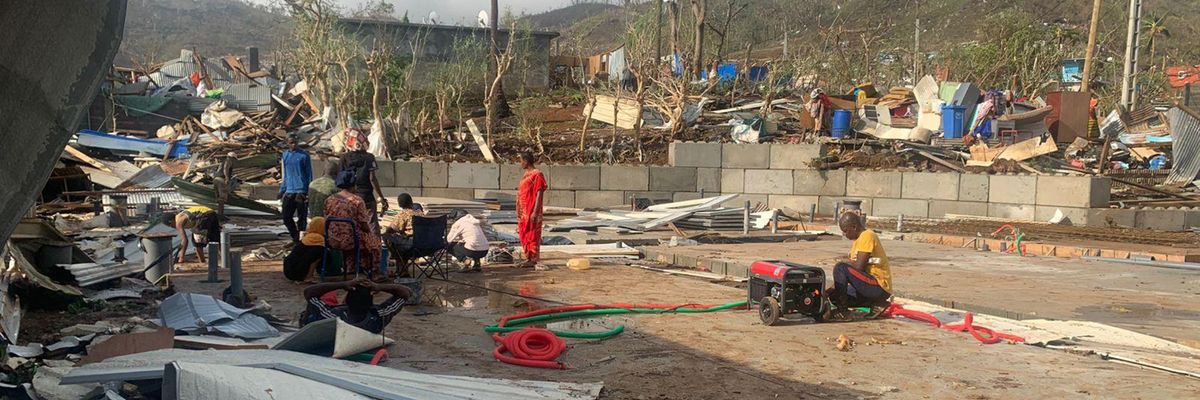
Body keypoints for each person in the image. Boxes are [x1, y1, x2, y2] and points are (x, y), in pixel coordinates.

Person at [827, 211, 892, 319]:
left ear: (854, 226)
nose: (845, 234)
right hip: (867, 285)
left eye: (846, 231)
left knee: (840, 268)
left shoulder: (867, 235)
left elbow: (859, 267)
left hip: (878, 285)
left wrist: (844, 269)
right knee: (834, 295)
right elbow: (853, 273)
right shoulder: (857, 242)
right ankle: (876, 304)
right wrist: (829, 291)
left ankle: (843, 312)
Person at [324, 171, 383, 280]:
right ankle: (374, 272)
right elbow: (364, 225)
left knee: (359, 240)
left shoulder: (329, 199)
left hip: (331, 240)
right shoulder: (357, 201)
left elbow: (326, 218)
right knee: (375, 244)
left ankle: (351, 270)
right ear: (353, 185)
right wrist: (370, 235)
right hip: (351, 240)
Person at [301, 277, 414, 334]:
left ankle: (304, 319)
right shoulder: (379, 316)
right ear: (371, 302)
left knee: (327, 296)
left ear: (348, 301)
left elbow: (309, 292)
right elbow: (406, 292)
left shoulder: (331, 317)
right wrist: (379, 286)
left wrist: (343, 284)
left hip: (326, 321)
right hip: (362, 319)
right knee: (328, 299)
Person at [339, 130, 388, 230]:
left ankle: (356, 244)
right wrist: (381, 197)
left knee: (352, 223)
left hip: (350, 197)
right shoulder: (369, 157)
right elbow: (372, 179)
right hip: (367, 196)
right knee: (371, 224)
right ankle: (373, 244)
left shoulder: (344, 158)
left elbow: (340, 179)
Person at [283, 217, 342, 283]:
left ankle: (308, 275)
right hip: (296, 272)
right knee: (320, 252)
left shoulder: (308, 236)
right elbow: (334, 245)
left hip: (289, 269)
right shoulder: (318, 239)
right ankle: (309, 277)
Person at [515, 151, 547, 268]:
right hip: (523, 212)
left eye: (521, 161)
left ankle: (534, 259)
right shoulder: (526, 175)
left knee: (533, 234)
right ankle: (528, 257)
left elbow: (539, 193)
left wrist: (535, 211)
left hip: (532, 210)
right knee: (524, 234)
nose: (520, 164)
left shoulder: (537, 174)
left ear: (526, 161)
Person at [280, 134, 313, 243]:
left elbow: (309, 174)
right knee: (286, 217)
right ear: (287, 143)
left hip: (301, 190)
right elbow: (284, 174)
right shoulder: (285, 155)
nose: (293, 144)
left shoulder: (304, 155)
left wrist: (308, 191)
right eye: (291, 142)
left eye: (295, 142)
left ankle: (301, 240)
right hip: (289, 190)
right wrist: (282, 190)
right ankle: (295, 238)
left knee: (301, 219)